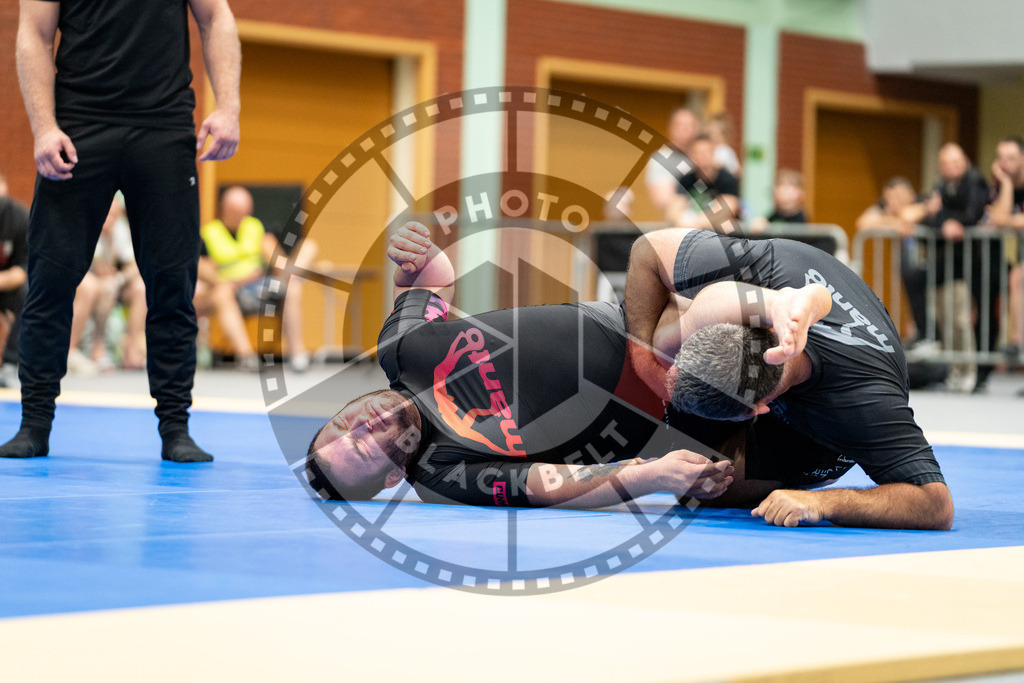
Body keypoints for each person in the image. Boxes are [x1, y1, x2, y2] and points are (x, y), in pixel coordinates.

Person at [305, 221, 734, 508]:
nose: (363, 424)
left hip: (639, 329)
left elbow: (433, 281)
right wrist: (651, 478)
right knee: (742, 486)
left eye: (343, 425)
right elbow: (546, 484)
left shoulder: (401, 347)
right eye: (362, 446)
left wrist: (418, 257)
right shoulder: (441, 474)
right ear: (393, 477)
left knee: (697, 306)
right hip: (670, 419)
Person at [3, 0, 241, 462]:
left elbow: (217, 17)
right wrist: (44, 127)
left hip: (164, 126)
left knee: (173, 284)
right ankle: (34, 423)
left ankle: (176, 427)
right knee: (51, 281)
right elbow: (33, 32)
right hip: (78, 127)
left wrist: (228, 107)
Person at [623, 227, 953, 530]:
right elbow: (646, 249)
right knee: (666, 337)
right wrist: (644, 366)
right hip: (782, 291)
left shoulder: (864, 405)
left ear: (760, 408)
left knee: (707, 489)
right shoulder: (762, 267)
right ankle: (742, 316)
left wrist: (823, 503)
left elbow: (937, 505)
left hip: (822, 435)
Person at [200, 185, 317, 372]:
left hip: (261, 286)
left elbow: (276, 259)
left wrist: (288, 271)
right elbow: (203, 268)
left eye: (245, 212)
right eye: (237, 212)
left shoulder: (256, 228)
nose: (242, 217)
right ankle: (246, 356)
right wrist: (231, 281)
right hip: (231, 290)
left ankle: (298, 355)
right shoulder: (209, 233)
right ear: (224, 209)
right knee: (221, 293)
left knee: (293, 286)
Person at [69, 195, 147, 372]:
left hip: (112, 285)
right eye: (108, 214)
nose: (111, 219)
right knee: (92, 286)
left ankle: (131, 353)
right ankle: (73, 349)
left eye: (115, 215)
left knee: (140, 288)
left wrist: (119, 278)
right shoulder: (84, 226)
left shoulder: (120, 229)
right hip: (85, 281)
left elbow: (134, 265)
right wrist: (99, 273)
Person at [856, 176, 929, 343]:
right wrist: (893, 222)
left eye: (897, 197)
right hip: (910, 270)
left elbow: (908, 215)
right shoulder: (888, 210)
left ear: (910, 195)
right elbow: (863, 223)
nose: (892, 202)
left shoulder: (924, 201)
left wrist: (891, 220)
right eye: (888, 198)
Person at [985, 136, 1024, 371]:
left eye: (1011, 158)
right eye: (1001, 158)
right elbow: (998, 220)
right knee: (1016, 278)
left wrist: (1008, 219)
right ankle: (1017, 343)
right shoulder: (1002, 183)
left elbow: (1002, 218)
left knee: (1017, 278)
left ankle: (1017, 341)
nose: (1005, 163)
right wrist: (1006, 184)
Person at [645, 107, 702, 223]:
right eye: (680, 125)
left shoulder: (704, 156)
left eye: (690, 125)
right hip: (680, 225)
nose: (685, 129)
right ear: (671, 128)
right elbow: (663, 200)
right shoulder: (661, 159)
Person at [675, 134, 741, 229]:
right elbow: (675, 206)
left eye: (706, 152)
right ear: (691, 155)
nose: (702, 157)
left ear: (713, 153)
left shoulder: (726, 179)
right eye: (697, 153)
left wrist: (697, 221)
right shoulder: (685, 180)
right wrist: (680, 218)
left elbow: (728, 208)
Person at [0, 170, 28, 388]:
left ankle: (10, 364)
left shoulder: (19, 217)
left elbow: (24, 269)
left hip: (7, 286)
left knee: (28, 296)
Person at [706, 112, 742, 178]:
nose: (710, 135)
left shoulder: (725, 150)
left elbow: (737, 171)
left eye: (713, 132)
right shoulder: (712, 148)